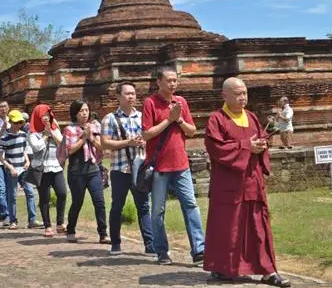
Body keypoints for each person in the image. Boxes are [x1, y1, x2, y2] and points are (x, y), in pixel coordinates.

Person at [204, 77, 291, 287]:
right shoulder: (216, 120)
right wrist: (246, 147)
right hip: (229, 187)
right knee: (228, 229)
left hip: (252, 182)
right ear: (225, 95)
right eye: (237, 93)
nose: (243, 97)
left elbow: (261, 140)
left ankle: (268, 271)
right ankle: (225, 268)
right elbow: (216, 149)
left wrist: (262, 145)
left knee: (259, 228)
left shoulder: (251, 117)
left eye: (244, 93)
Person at [142, 66, 204, 265]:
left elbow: (192, 131)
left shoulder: (181, 102)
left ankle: (199, 249)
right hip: (159, 167)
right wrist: (169, 120)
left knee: (191, 205)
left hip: (181, 164)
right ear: (158, 82)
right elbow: (146, 134)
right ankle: (162, 251)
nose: (173, 84)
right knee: (158, 211)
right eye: (169, 80)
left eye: (175, 80)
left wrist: (179, 120)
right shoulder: (150, 103)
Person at [101, 81, 154, 255]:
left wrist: (144, 141)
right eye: (127, 93)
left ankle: (150, 244)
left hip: (140, 168)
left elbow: (150, 136)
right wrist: (128, 142)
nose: (131, 97)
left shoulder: (142, 117)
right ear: (118, 96)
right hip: (120, 169)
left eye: (133, 93)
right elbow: (105, 143)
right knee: (117, 206)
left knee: (144, 206)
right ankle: (115, 243)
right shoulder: (110, 118)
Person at [63, 99, 109, 244]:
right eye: (81, 111)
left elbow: (102, 148)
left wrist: (91, 137)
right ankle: (70, 229)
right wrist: (83, 138)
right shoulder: (70, 130)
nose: (84, 113)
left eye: (86, 110)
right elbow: (69, 150)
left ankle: (103, 233)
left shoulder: (95, 126)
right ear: (75, 113)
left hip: (93, 168)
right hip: (76, 170)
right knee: (77, 202)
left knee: (99, 201)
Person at [27, 104, 67, 237]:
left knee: (62, 193)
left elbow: (62, 143)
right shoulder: (33, 132)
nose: (46, 117)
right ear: (38, 117)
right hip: (41, 168)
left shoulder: (55, 129)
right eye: (43, 115)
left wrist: (52, 132)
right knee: (45, 198)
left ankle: (60, 223)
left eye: (48, 115)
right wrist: (45, 135)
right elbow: (36, 147)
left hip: (56, 166)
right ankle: (47, 225)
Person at [0, 109, 40, 229]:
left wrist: (27, 161)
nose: (18, 125)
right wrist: (11, 168)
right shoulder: (5, 137)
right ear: (10, 122)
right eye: (16, 123)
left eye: (20, 122)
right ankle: (13, 220)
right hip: (12, 169)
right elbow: (0, 157)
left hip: (23, 168)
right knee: (12, 196)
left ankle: (32, 220)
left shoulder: (23, 135)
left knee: (30, 193)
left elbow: (24, 151)